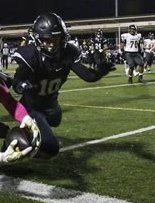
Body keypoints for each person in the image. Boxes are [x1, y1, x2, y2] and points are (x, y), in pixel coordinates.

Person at [12, 13, 114, 158]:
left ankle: (35, 131)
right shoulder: (30, 54)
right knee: (51, 148)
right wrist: (22, 85)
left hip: (51, 104)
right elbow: (16, 83)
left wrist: (100, 72)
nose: (52, 43)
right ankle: (18, 138)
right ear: (38, 38)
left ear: (63, 37)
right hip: (31, 105)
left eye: (56, 38)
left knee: (56, 119)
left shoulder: (68, 52)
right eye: (47, 39)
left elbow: (88, 76)